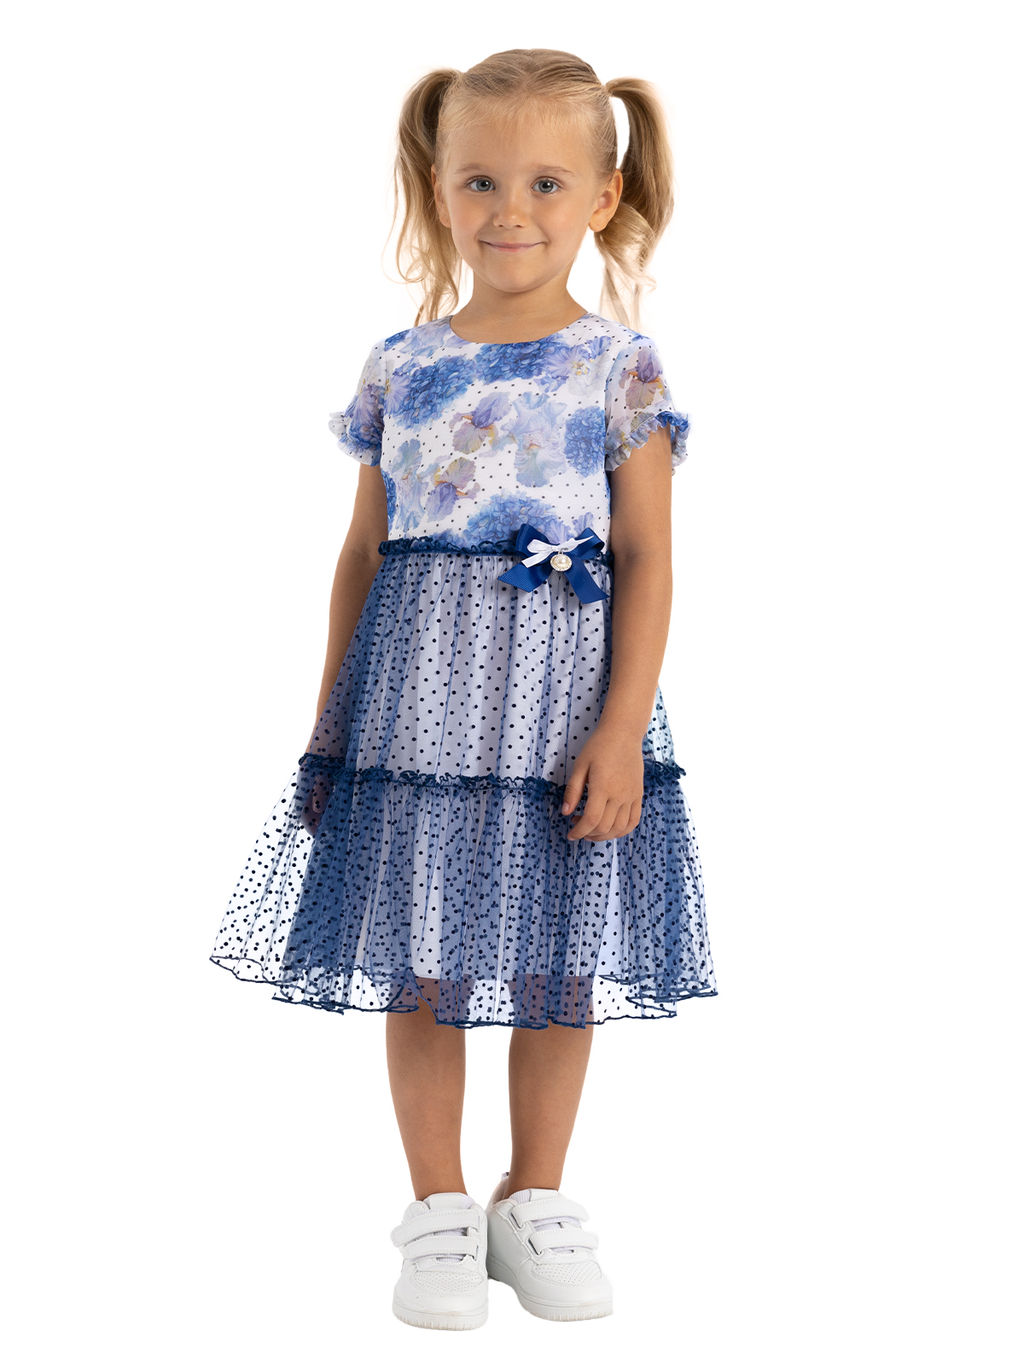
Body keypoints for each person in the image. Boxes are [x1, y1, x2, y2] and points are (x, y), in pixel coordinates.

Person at [209, 47, 718, 1331]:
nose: (510, 210)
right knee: (420, 960)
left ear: (601, 196)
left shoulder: (619, 366)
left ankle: (532, 1193)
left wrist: (619, 728)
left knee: (558, 962)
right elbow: (362, 557)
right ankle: (437, 1206)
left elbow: (648, 557)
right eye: (480, 180)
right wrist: (332, 732)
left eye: (546, 182)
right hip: (414, 710)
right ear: (437, 189)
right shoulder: (402, 366)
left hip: (559, 706)